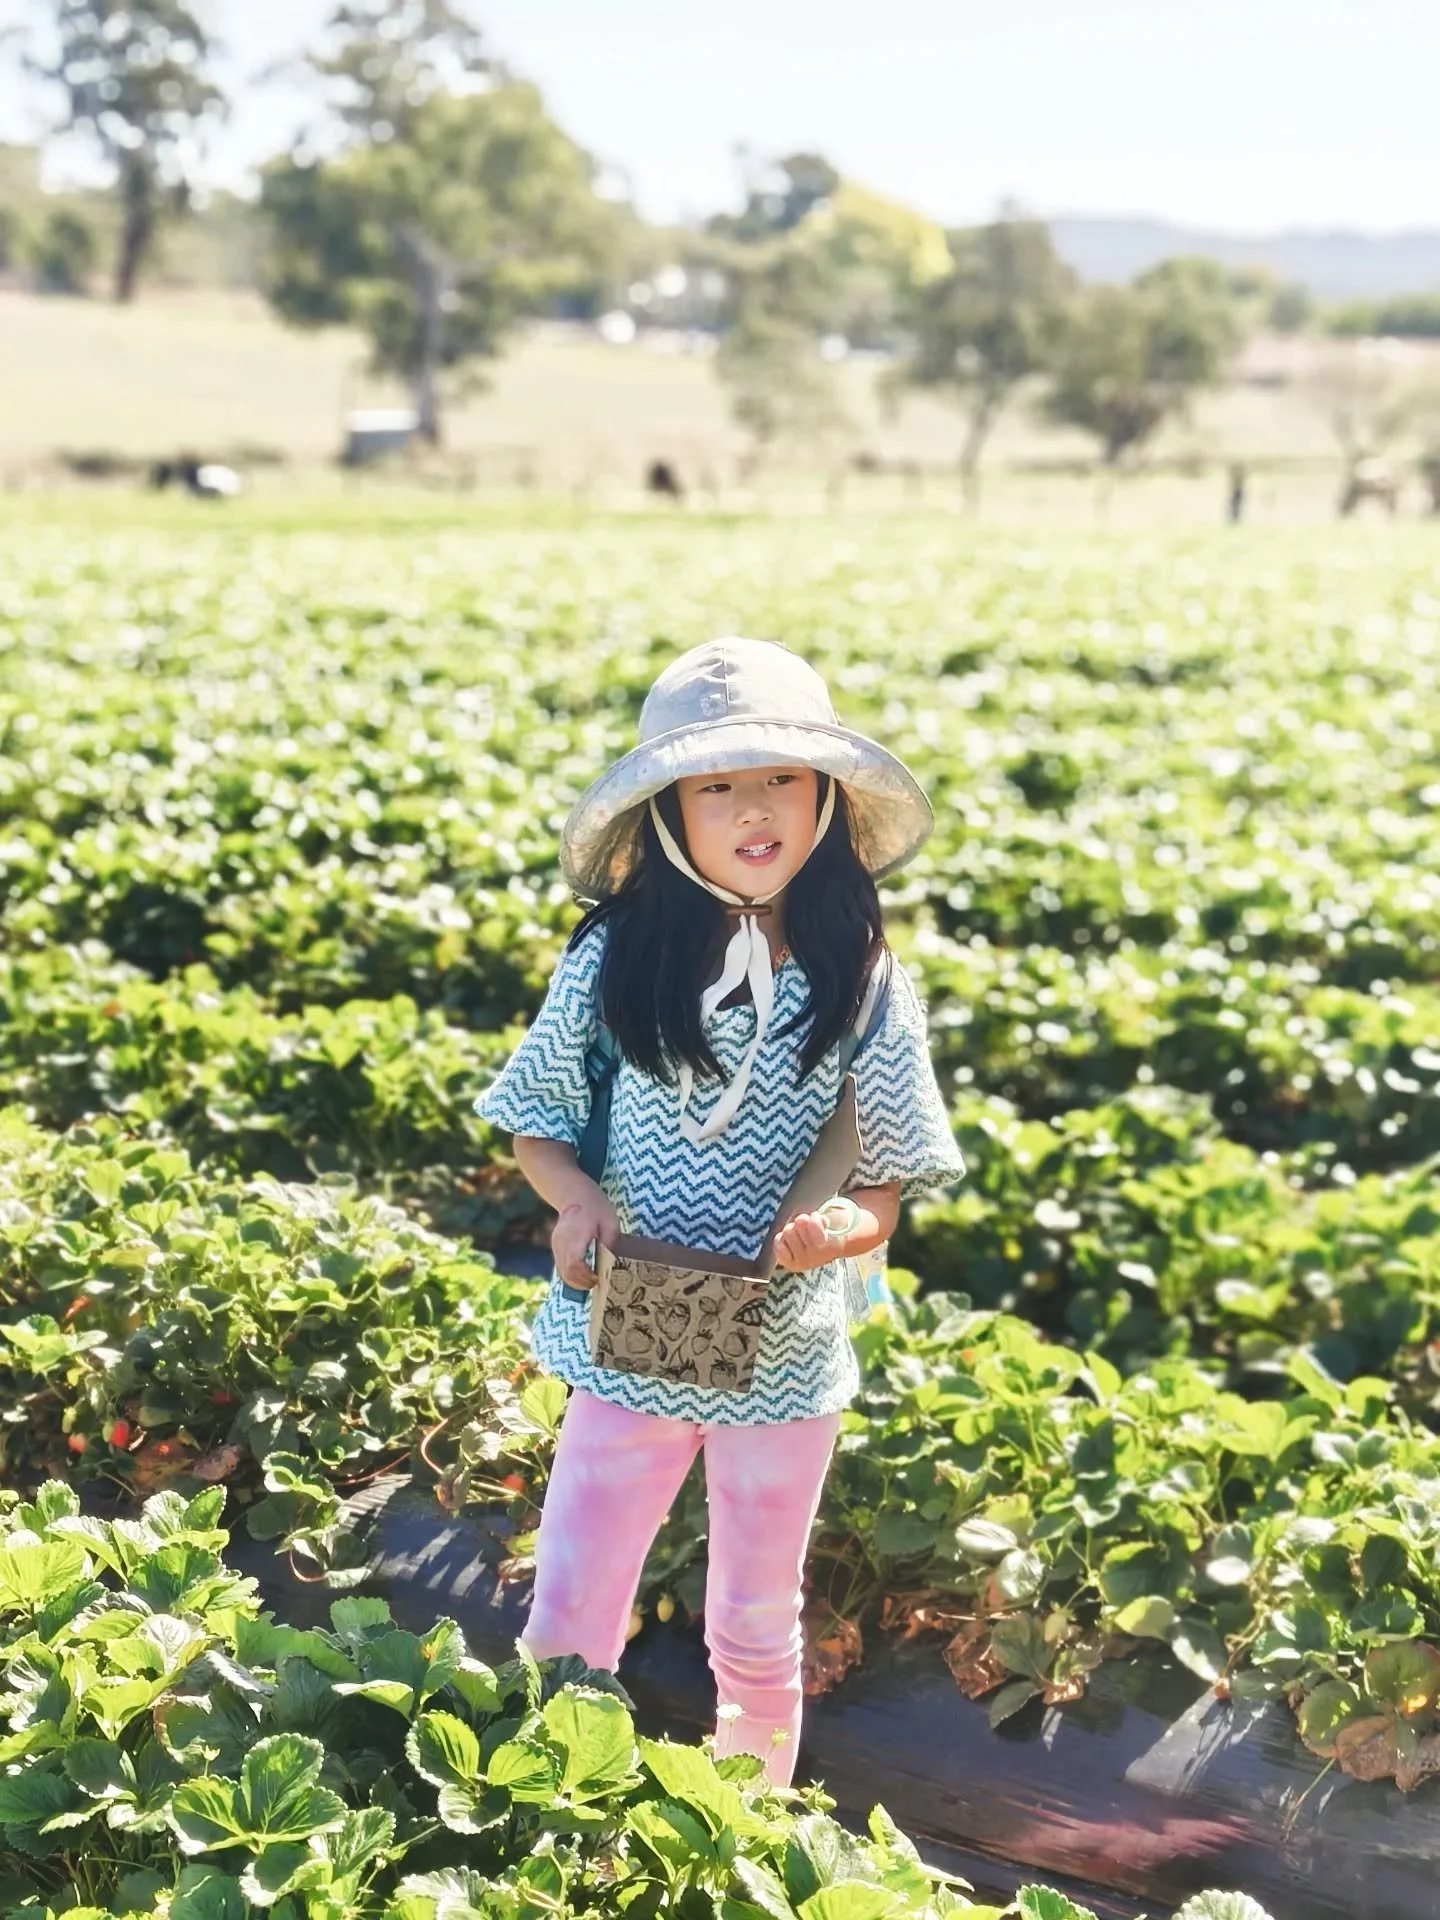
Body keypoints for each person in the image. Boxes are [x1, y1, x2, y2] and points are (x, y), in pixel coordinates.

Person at [473, 635, 964, 1784]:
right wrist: (575, 1202)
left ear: (829, 801)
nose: (755, 808)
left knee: (752, 1615)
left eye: (782, 779)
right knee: (573, 1598)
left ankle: (748, 1823)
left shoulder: (861, 975)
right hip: (636, 1321)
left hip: (783, 1350)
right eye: (717, 785)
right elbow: (535, 1123)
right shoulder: (615, 960)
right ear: (667, 816)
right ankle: (544, 1801)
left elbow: (883, 1187)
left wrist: (834, 1232)